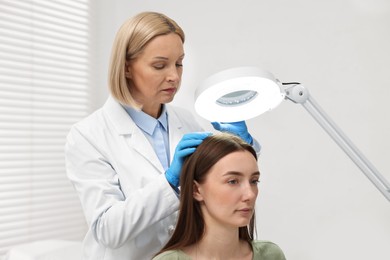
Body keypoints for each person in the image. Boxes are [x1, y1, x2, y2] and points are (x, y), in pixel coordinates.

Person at [65, 11, 260, 260]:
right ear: (126, 68)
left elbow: (222, 188)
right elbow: (107, 230)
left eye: (179, 63)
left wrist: (242, 145)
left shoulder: (186, 121)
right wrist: (168, 182)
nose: (174, 76)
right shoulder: (88, 135)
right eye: (160, 65)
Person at [153, 132, 285, 260]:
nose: (250, 194)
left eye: (254, 181)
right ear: (196, 190)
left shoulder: (271, 255)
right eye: (232, 181)